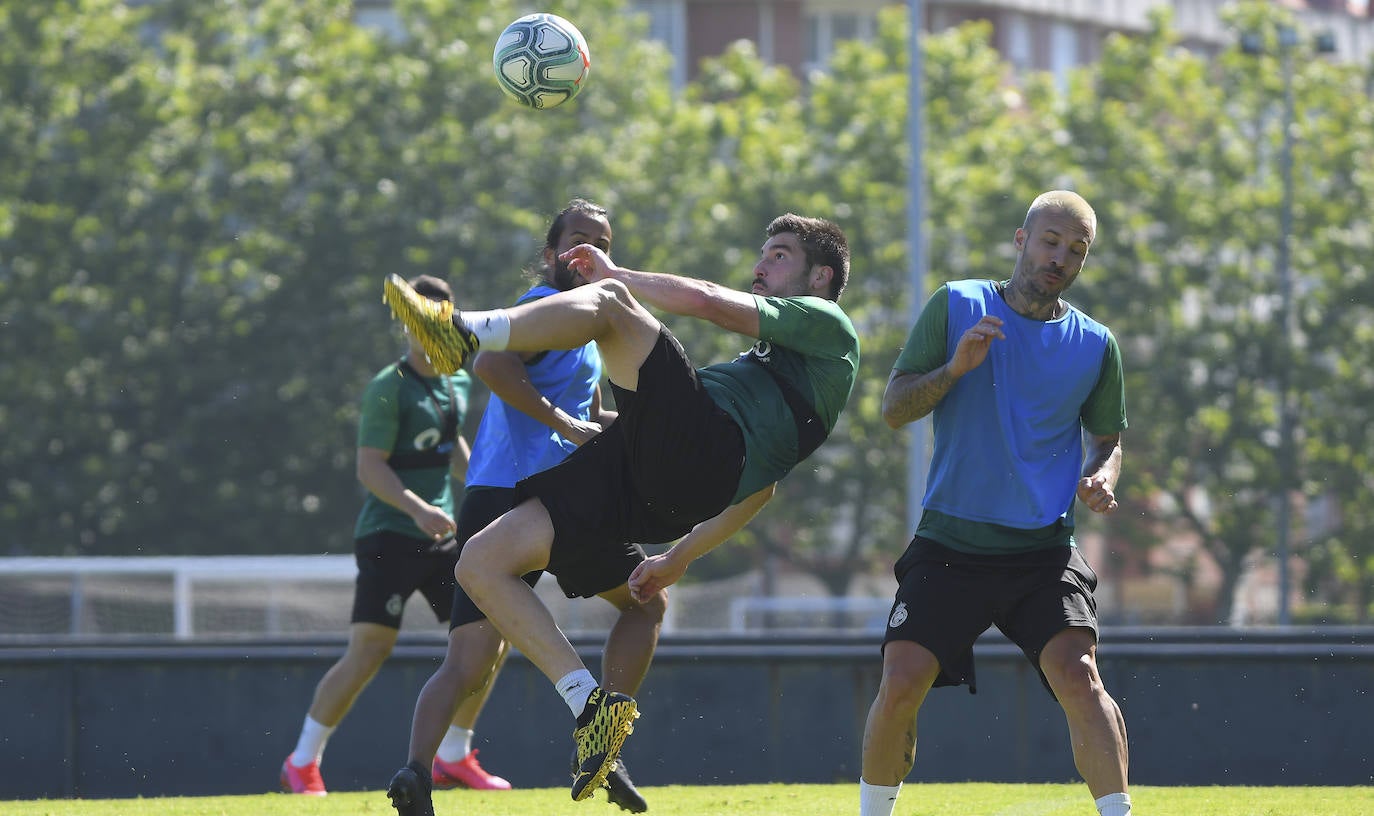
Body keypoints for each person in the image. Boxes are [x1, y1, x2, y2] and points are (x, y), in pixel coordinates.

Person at [382, 213, 859, 815]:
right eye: (763, 253)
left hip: (696, 456)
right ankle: (590, 707)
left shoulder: (829, 323)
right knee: (479, 563)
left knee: (608, 300)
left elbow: (709, 300)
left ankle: (462, 332)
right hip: (661, 483)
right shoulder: (777, 373)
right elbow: (758, 493)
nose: (761, 266)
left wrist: (618, 275)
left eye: (780, 256)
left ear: (820, 278)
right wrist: (676, 559)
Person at [858, 190, 1132, 816]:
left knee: (1081, 678)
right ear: (1020, 239)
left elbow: (1108, 440)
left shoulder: (1096, 343)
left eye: (1077, 250)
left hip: (1042, 552)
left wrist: (1101, 476)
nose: (1060, 257)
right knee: (900, 682)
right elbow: (894, 409)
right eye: (1050, 241)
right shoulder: (956, 304)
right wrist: (954, 369)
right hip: (951, 546)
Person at [394, 199, 659, 813]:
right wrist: (567, 425)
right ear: (550, 255)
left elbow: (589, 416)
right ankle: (600, 736)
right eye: (576, 238)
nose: (588, 249)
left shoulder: (586, 330)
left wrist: (648, 428)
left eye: (601, 241)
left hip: (515, 493)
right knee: (645, 600)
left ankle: (414, 772)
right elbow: (489, 362)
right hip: (530, 496)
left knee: (469, 661)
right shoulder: (543, 307)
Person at [281, 275, 480, 796]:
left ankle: (454, 755)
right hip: (389, 537)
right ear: (406, 323)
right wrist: (418, 509)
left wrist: (483, 482)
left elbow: (450, 443)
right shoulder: (387, 386)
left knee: (489, 635)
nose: (430, 330)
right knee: (369, 650)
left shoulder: (456, 379)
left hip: (441, 539)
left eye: (440, 319)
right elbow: (370, 468)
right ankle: (302, 763)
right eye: (421, 319)